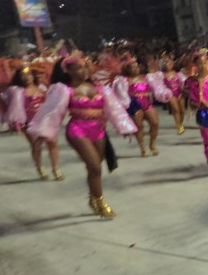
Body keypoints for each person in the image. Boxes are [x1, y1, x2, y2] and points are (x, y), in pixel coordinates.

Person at [29, 57, 137, 218]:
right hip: (77, 130)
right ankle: (100, 202)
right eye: (80, 68)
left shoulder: (101, 88)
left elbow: (114, 109)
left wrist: (125, 127)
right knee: (95, 167)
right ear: (68, 71)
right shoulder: (63, 90)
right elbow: (52, 112)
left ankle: (93, 198)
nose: (85, 70)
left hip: (99, 130)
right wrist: (43, 133)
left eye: (87, 67)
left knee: (94, 168)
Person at [5, 65, 63, 180]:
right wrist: (18, 124)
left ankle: (56, 169)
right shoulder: (18, 92)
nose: (26, 77)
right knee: (36, 146)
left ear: (33, 76)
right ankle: (40, 168)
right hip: (30, 123)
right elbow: (14, 108)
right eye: (23, 75)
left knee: (52, 144)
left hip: (46, 122)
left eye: (29, 74)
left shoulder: (42, 88)